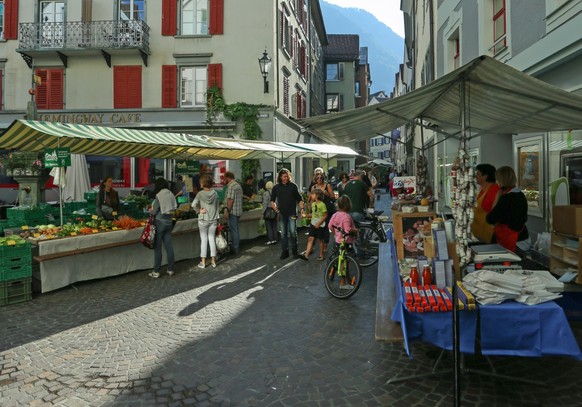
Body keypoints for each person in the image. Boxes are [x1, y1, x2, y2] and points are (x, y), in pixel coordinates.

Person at [486, 166, 528, 253]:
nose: (496, 182)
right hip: (522, 239)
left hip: (512, 241)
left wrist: (497, 199)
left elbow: (490, 218)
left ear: (501, 181)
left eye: (497, 179)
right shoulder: (520, 195)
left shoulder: (506, 198)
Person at [271, 168, 305, 260]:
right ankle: (285, 251)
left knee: (293, 232)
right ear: (280, 177)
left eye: (287, 176)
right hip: (282, 214)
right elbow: (272, 201)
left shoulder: (293, 186)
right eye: (284, 177)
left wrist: (302, 209)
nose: (286, 178)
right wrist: (276, 209)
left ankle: (294, 251)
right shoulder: (276, 188)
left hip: (292, 214)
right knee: (283, 234)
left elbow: (300, 199)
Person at [327, 195, 358, 289]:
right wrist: (355, 230)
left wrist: (335, 234)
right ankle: (343, 283)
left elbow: (330, 226)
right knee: (345, 263)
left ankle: (332, 271)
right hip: (346, 243)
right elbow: (348, 230)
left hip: (337, 241)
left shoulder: (335, 215)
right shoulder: (346, 217)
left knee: (337, 259)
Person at [148, 177, 177, 278]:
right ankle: (170, 269)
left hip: (159, 223)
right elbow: (174, 207)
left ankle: (156, 271)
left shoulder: (159, 195)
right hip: (169, 222)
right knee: (169, 247)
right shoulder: (170, 193)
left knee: (158, 248)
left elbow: (154, 211)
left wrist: (150, 210)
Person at [192, 174, 220, 268]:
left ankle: (203, 262)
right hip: (213, 219)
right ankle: (213, 261)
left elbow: (193, 204)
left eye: (200, 182)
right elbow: (217, 207)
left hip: (203, 219)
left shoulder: (200, 194)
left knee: (204, 240)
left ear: (203, 183)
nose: (199, 183)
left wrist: (199, 210)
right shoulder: (215, 193)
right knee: (211, 239)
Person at [471, 164, 500, 243]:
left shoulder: (494, 190)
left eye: (478, 174)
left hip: (488, 235)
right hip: (478, 234)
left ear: (485, 176)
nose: (475, 176)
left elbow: (495, 214)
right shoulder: (482, 189)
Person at [298, 188, 327, 261]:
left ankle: (321, 254)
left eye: (313, 194)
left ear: (317, 195)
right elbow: (313, 214)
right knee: (310, 238)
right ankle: (306, 255)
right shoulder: (313, 204)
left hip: (320, 224)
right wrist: (306, 215)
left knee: (320, 240)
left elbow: (325, 215)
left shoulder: (322, 205)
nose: (311, 195)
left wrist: (319, 223)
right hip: (313, 223)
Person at [223, 171, 243, 254]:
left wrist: (227, 211)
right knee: (236, 230)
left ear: (228, 177)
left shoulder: (231, 186)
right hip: (238, 211)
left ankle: (235, 248)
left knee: (233, 230)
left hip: (233, 211)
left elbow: (230, 200)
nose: (224, 180)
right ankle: (236, 246)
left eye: (224, 178)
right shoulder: (238, 185)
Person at [262, 181, 278, 245]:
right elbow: (277, 203)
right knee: (274, 226)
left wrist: (263, 212)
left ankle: (271, 240)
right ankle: (275, 239)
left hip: (268, 211)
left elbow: (265, 204)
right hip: (274, 210)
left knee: (269, 227)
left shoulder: (266, 193)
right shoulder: (276, 193)